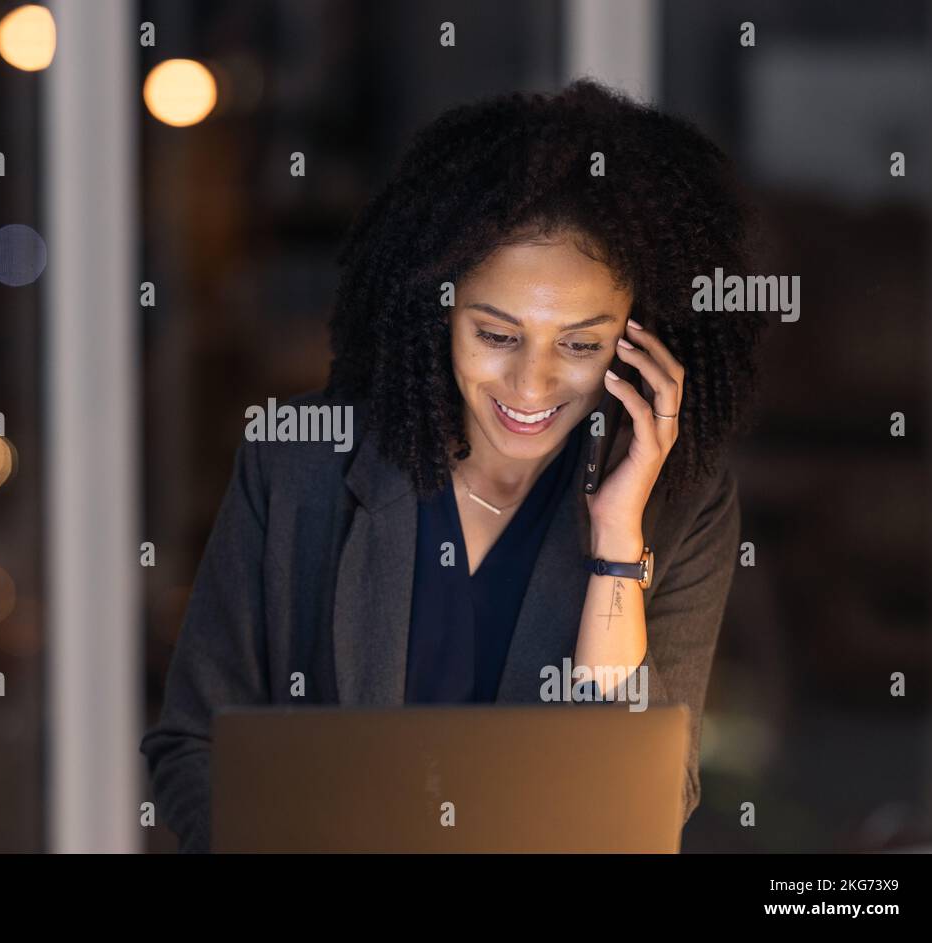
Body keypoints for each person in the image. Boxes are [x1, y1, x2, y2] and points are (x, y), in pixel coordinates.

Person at [140, 79, 769, 852]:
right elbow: (190, 747)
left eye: (580, 343)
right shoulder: (299, 463)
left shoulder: (680, 501)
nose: (532, 386)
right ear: (437, 312)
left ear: (635, 338)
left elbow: (642, 803)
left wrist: (615, 547)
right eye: (497, 336)